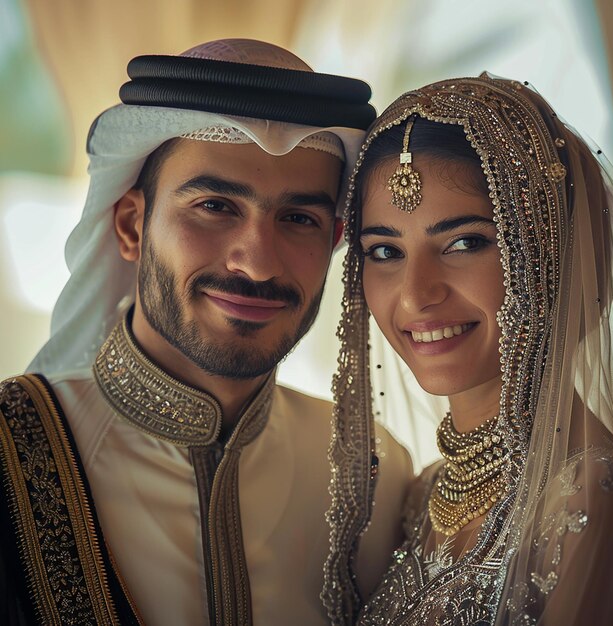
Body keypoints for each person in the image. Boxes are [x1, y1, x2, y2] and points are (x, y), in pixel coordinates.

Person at [0, 39, 413, 626]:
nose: (258, 262)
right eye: (216, 206)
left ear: (336, 240)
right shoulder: (11, 448)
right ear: (131, 225)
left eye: (299, 219)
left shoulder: (373, 476)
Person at [322, 74, 613, 625]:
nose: (416, 293)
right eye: (385, 251)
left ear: (546, 250)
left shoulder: (594, 502)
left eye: (464, 243)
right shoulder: (420, 498)